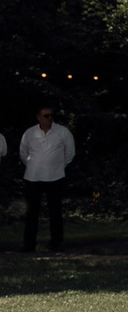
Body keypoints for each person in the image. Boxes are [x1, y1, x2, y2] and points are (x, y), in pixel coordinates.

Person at [18, 105, 74, 252]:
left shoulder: (62, 132)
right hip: (33, 177)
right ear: (38, 117)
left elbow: (70, 153)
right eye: (46, 116)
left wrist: (58, 166)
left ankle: (56, 243)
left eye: (51, 115)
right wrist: (32, 164)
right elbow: (23, 153)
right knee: (32, 212)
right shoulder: (30, 133)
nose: (49, 118)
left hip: (54, 177)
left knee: (55, 211)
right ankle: (29, 244)